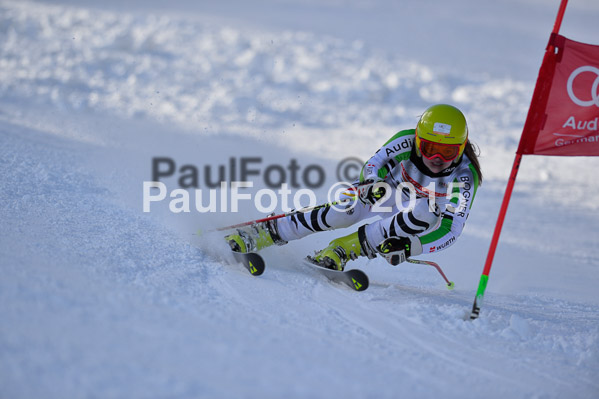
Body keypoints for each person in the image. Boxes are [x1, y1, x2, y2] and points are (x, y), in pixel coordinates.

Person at [226, 104, 482, 270]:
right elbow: (374, 164)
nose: (436, 159)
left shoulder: (464, 177)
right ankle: (262, 233)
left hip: (416, 213)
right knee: (342, 211)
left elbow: (451, 230)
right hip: (387, 191)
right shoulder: (405, 141)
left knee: (426, 211)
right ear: (417, 140)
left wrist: (410, 247)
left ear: (461, 147)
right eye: (429, 148)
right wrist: (371, 184)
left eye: (448, 152)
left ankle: (343, 249)